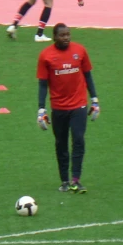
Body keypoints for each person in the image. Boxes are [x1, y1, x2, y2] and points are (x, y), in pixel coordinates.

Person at [36, 23, 100, 193]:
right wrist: (41, 110)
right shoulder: (46, 56)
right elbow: (43, 85)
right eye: (62, 35)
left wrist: (95, 100)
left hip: (78, 105)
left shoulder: (80, 51)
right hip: (58, 107)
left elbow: (88, 76)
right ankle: (64, 180)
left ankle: (76, 179)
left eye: (68, 34)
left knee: (78, 140)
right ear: (55, 36)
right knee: (61, 143)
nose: (66, 38)